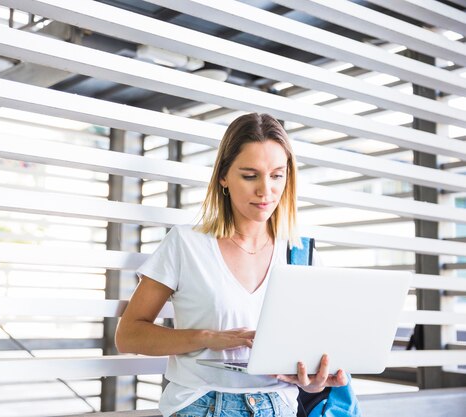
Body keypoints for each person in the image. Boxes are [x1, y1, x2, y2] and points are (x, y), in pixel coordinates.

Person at [115, 113, 348, 417]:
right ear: (224, 176)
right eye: (250, 176)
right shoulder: (186, 244)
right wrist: (207, 338)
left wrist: (314, 381)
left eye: (277, 175)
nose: (266, 191)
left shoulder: (302, 255)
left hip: (279, 407)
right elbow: (129, 335)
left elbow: (309, 357)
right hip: (201, 406)